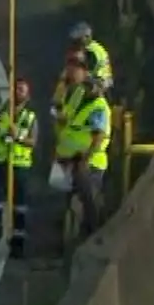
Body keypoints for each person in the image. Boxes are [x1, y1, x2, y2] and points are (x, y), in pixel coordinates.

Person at [0, 78, 38, 258]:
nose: (18, 92)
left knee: (20, 206)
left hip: (19, 166)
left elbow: (33, 141)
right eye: (16, 89)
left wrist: (19, 137)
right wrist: (0, 113)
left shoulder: (30, 117)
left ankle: (18, 244)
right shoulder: (1, 112)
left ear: (27, 95)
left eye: (22, 90)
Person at [54, 73, 112, 237]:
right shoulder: (80, 99)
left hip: (88, 163)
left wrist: (85, 160)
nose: (86, 88)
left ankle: (91, 235)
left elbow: (98, 137)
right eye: (85, 85)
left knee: (88, 202)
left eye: (90, 86)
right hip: (70, 159)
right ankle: (74, 237)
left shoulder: (98, 107)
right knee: (74, 201)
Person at [69, 21, 114, 90]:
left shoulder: (90, 51)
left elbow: (89, 72)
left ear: (87, 37)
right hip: (104, 83)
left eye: (78, 39)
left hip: (97, 85)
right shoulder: (97, 47)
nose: (76, 43)